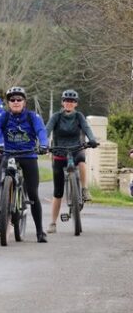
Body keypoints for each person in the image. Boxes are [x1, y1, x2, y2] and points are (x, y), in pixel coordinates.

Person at [0, 86, 50, 243]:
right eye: (12, 100)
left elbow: (41, 132)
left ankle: (40, 231)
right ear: (8, 103)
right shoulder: (2, 116)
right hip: (9, 155)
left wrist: (44, 145)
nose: (16, 102)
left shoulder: (33, 117)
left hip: (28, 156)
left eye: (19, 99)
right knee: (2, 186)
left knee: (33, 193)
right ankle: (3, 216)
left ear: (24, 102)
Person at [45, 89, 99, 233]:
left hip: (76, 149)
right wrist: (44, 142)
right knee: (58, 192)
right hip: (59, 152)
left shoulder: (79, 116)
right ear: (62, 103)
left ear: (76, 104)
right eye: (66, 101)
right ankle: (53, 223)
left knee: (81, 160)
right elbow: (47, 129)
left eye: (72, 101)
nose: (69, 103)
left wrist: (92, 139)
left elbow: (86, 128)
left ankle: (84, 190)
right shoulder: (56, 116)